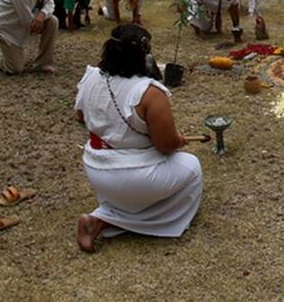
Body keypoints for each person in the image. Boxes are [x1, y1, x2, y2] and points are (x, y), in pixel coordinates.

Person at [74, 24, 202, 254]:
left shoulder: (91, 77)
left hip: (96, 170)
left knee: (142, 184)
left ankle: (104, 218)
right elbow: (165, 147)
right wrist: (178, 140)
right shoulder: (149, 92)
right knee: (192, 167)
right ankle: (108, 221)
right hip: (134, 177)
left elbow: (80, 116)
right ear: (143, 55)